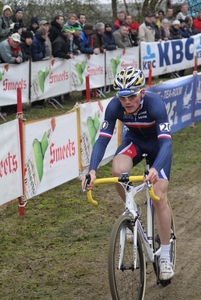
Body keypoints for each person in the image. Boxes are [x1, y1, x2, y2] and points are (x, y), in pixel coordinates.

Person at [82, 66, 174, 281]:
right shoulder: (115, 107)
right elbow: (102, 139)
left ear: (142, 92)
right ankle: (132, 211)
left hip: (158, 147)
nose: (127, 102)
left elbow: (166, 143)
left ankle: (166, 257)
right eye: (122, 97)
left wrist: (154, 168)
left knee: (159, 196)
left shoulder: (155, 104)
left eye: (131, 96)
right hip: (134, 142)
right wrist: (92, 170)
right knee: (117, 170)